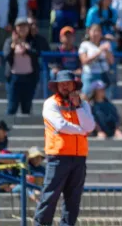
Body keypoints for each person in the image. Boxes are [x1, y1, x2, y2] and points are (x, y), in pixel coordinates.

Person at [34, 70, 96, 226]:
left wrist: (78, 107)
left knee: (73, 200)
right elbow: (61, 125)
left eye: (68, 83)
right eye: (62, 84)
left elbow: (90, 125)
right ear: (56, 86)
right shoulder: (51, 103)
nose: (65, 87)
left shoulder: (84, 104)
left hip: (79, 157)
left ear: (74, 85)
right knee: (50, 197)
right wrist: (82, 131)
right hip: (58, 157)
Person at [3, 17, 40, 115]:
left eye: (24, 26)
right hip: (14, 78)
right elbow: (6, 56)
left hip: (29, 77)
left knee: (27, 107)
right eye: (19, 26)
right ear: (15, 28)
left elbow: (37, 53)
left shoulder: (33, 41)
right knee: (12, 107)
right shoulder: (9, 41)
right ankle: (6, 129)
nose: (22, 29)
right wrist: (13, 46)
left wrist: (26, 49)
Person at [78, 24, 115, 99]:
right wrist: (99, 51)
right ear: (89, 32)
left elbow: (111, 61)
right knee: (85, 97)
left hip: (103, 74)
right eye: (94, 31)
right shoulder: (84, 45)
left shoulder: (105, 44)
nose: (96, 33)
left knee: (105, 97)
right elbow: (84, 61)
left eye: (98, 31)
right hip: (90, 74)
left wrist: (107, 51)